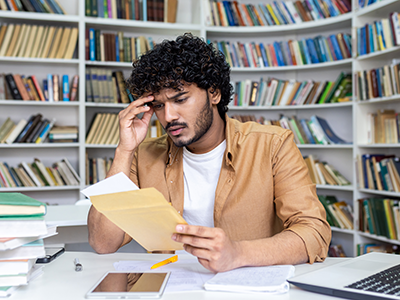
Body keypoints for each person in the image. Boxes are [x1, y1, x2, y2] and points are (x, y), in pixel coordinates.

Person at [88, 33, 331, 273]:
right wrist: (124, 150)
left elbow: (313, 233)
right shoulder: (144, 155)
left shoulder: (272, 145)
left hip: (246, 289)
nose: (168, 116)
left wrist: (237, 254)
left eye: (180, 99)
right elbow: (103, 242)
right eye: (159, 105)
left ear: (213, 93)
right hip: (172, 289)